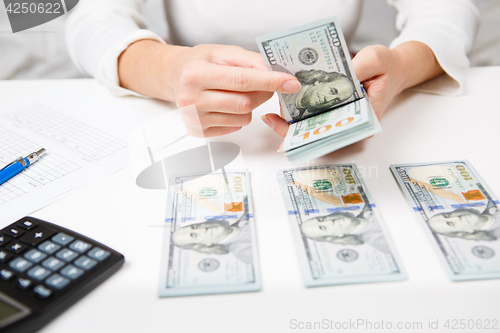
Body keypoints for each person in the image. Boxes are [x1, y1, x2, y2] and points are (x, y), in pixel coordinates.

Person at [65, 0, 479, 139]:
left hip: (348, 106)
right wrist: (168, 67)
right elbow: (91, 20)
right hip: (204, 130)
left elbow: (448, 9)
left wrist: (400, 66)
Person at [300, 208, 391, 254]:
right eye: (324, 228)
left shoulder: (367, 206)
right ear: (337, 236)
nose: (329, 221)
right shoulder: (377, 241)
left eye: (321, 219)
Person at [172, 219, 253, 264]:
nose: (202, 229)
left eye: (194, 227)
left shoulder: (241, 215)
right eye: (195, 235)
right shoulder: (243, 252)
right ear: (205, 245)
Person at [285, 70, 355, 121]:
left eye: (336, 100)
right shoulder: (286, 85)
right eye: (332, 91)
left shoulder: (302, 116)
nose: (328, 99)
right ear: (319, 81)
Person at [427, 202, 500, 241]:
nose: (456, 218)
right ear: (462, 232)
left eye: (447, 215)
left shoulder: (492, 201)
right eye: (451, 223)